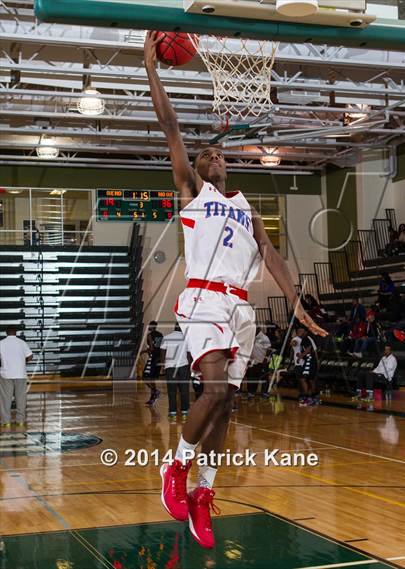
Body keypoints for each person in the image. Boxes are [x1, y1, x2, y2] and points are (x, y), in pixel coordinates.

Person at [144, 31, 328, 550]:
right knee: (215, 390)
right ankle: (174, 469)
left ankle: (205, 491)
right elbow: (170, 124)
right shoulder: (192, 190)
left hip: (240, 308)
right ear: (198, 170)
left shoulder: (246, 206)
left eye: (218, 153)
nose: (214, 156)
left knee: (227, 406)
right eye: (207, 155)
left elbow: (272, 258)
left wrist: (295, 304)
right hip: (203, 298)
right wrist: (150, 66)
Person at [0, 325, 33, 427]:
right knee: (21, 398)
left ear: (6, 333)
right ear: (15, 332)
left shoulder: (1, 343)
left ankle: (6, 422)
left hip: (6, 374)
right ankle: (20, 421)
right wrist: (23, 362)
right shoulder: (22, 343)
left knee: (5, 399)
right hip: (20, 374)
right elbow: (30, 356)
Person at [160, 324, 190, 422]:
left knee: (172, 391)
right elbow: (189, 354)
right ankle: (185, 413)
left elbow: (162, 352)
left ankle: (172, 413)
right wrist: (188, 367)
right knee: (184, 391)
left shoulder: (166, 337)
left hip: (170, 367)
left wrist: (163, 365)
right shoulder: (186, 338)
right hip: (183, 367)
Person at [142, 321, 163, 406]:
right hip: (159, 358)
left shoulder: (150, 335)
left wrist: (143, 352)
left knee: (144, 377)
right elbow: (160, 347)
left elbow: (151, 348)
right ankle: (152, 398)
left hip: (153, 357)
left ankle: (155, 392)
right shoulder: (160, 335)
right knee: (152, 378)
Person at [296, 329, 319, 407]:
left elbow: (309, 349)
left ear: (305, 332)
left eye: (301, 331)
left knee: (304, 379)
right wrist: (301, 355)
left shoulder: (306, 338)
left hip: (310, 360)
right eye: (298, 331)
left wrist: (301, 356)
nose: (299, 332)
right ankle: (313, 398)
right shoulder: (304, 339)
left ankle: (308, 398)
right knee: (310, 380)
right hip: (310, 361)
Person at [246, 327, 271, 398]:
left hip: (262, 361)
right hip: (253, 361)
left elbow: (268, 349)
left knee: (264, 377)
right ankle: (251, 392)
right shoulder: (251, 337)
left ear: (258, 330)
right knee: (252, 377)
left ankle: (264, 393)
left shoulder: (264, 338)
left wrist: (265, 359)